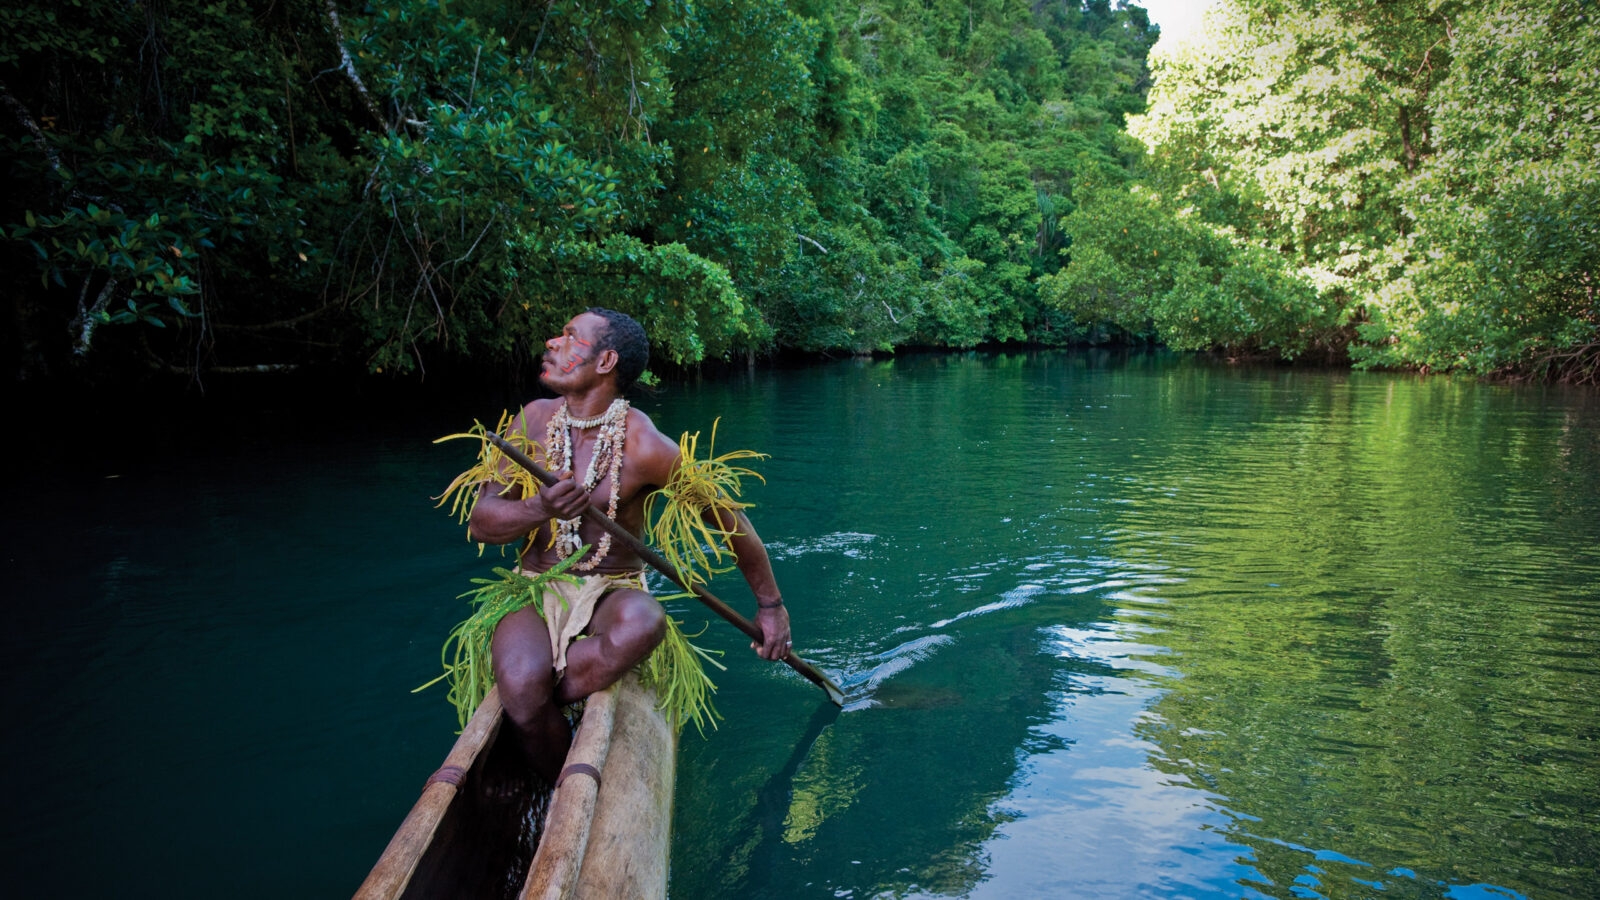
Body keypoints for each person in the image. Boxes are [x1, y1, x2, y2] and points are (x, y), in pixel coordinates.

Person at [461, 308, 792, 783]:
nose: (553, 342)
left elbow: (730, 520)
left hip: (611, 589)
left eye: (570, 336)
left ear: (605, 360)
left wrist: (771, 607)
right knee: (518, 685)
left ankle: (545, 690)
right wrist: (542, 509)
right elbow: (481, 523)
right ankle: (558, 784)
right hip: (534, 586)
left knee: (645, 622)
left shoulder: (647, 447)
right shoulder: (532, 421)